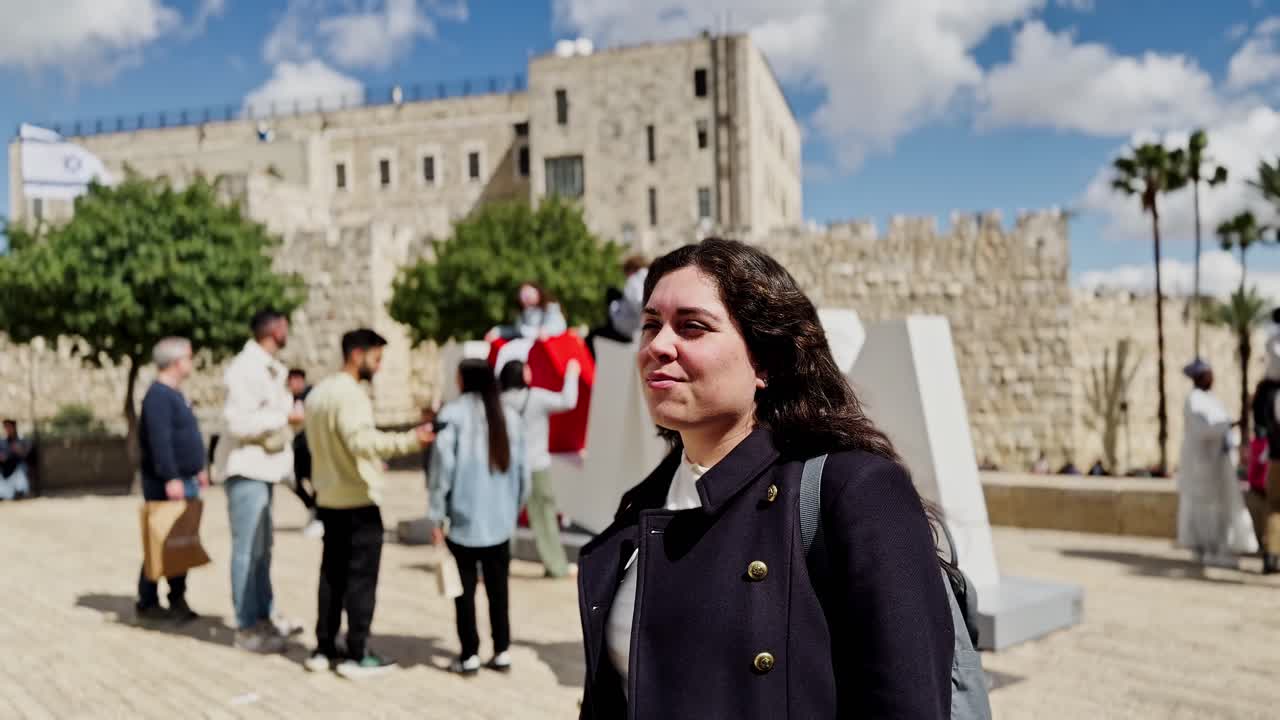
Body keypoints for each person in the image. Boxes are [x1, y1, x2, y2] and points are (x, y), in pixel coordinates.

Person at [576, 238, 955, 717]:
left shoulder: (855, 491)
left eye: (692, 327)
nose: (658, 346)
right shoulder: (641, 506)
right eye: (651, 325)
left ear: (766, 361)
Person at [302, 329, 435, 677]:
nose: (378, 367)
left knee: (331, 576)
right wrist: (412, 440)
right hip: (357, 502)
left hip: (329, 499)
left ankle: (324, 646)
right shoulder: (350, 395)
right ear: (358, 355)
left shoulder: (319, 394)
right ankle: (357, 651)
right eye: (376, 358)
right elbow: (360, 440)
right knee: (360, 580)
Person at [429, 358, 529, 675]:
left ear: (463, 380)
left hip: (462, 521)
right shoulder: (510, 417)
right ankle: (502, 651)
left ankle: (469, 653)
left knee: (465, 592)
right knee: (499, 590)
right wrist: (512, 509)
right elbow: (523, 473)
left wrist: (437, 515)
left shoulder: (452, 415)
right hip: (499, 521)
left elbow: (441, 471)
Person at [216, 309, 305, 653]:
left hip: (265, 469)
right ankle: (246, 625)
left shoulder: (269, 367)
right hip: (247, 469)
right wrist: (283, 416)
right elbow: (237, 422)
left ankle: (264, 615)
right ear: (275, 328)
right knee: (246, 550)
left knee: (262, 549)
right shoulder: (244, 368)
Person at [136, 338, 208, 622]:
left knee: (179, 542)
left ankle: (176, 596)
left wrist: (197, 467)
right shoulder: (158, 396)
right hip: (168, 482)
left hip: (184, 478)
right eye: (188, 357)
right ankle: (149, 599)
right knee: (161, 540)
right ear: (177, 361)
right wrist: (171, 477)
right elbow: (160, 441)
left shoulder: (174, 394)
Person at [499, 357, 581, 578]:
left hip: (507, 469)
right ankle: (555, 566)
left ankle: (497, 564)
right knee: (544, 518)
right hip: (536, 467)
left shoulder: (498, 402)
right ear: (523, 375)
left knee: (504, 518)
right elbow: (568, 401)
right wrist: (571, 373)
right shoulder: (535, 397)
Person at [1177, 360, 1258, 569]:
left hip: (1216, 462)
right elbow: (1204, 430)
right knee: (1206, 506)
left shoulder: (1208, 399)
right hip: (1202, 464)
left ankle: (1219, 548)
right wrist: (1229, 425)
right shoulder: (1194, 400)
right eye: (1209, 374)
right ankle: (1208, 549)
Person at [586, 255, 649, 356]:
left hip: (625, 331)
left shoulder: (634, 281)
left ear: (631, 269)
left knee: (591, 338)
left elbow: (639, 304)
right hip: (634, 330)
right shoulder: (650, 277)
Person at [288, 368, 323, 538]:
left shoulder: (312, 397)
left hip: (312, 448)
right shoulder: (289, 399)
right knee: (295, 481)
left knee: (316, 481)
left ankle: (319, 516)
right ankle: (313, 508)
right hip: (298, 448)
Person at [486, 282, 568, 341]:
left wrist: (546, 331)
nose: (527, 297)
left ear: (538, 293)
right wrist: (496, 331)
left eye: (529, 293)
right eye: (523, 295)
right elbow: (516, 331)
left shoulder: (550, 308)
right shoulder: (523, 314)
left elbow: (560, 326)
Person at [0, 419, 32, 501]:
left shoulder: (22, 440)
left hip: (18, 466)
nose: (7, 429)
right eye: (5, 427)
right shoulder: (2, 442)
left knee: (20, 473)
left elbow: (26, 455)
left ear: (14, 427)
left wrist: (19, 450)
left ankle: (20, 492)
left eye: (9, 427)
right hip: (5, 468)